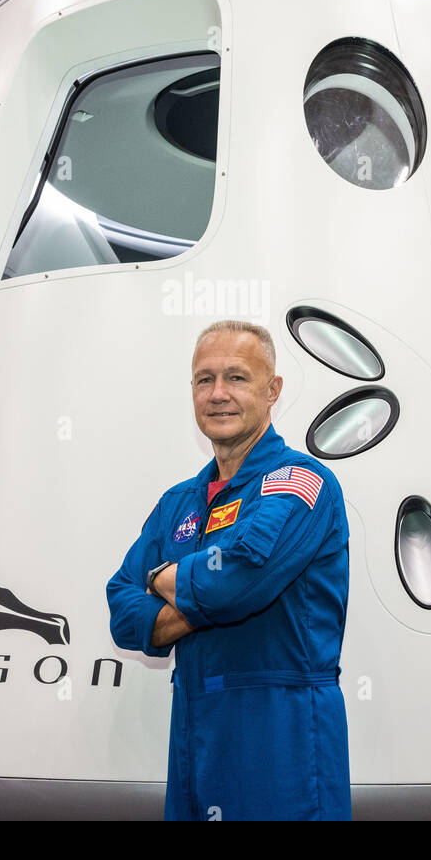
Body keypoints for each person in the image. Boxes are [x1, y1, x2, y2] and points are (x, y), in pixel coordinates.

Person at [106, 320, 351, 820]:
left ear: (272, 389)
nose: (218, 394)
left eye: (237, 378)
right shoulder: (178, 502)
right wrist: (203, 593)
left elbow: (234, 586)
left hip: (282, 742)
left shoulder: (301, 483)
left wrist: (160, 577)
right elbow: (121, 610)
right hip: (194, 738)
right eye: (204, 379)